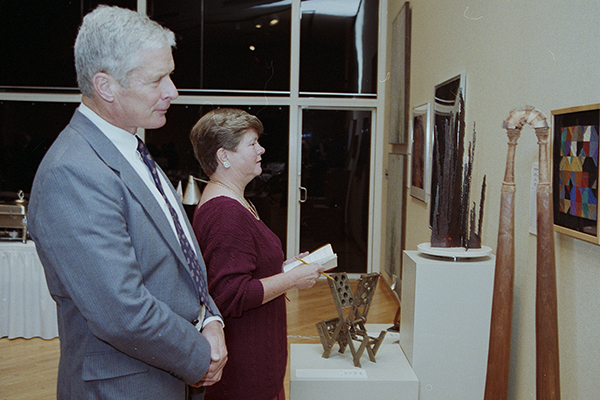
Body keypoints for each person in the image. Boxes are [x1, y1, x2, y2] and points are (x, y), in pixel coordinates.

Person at [28, 6, 226, 399]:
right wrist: (199, 355)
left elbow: (178, 258)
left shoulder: (130, 149)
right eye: (158, 79)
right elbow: (121, 311)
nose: (173, 91)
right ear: (106, 86)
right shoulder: (73, 171)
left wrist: (210, 318)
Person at [189, 108, 326, 400]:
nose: (261, 149)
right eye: (252, 144)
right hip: (247, 371)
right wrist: (292, 280)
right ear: (224, 156)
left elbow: (244, 270)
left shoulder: (236, 201)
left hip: (256, 361)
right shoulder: (225, 212)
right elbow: (231, 294)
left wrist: (285, 268)